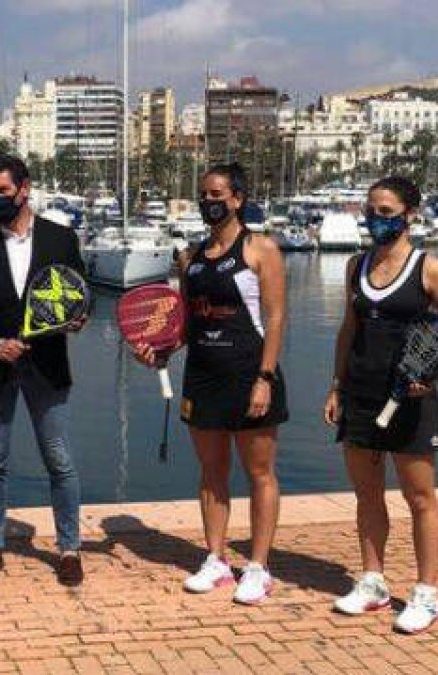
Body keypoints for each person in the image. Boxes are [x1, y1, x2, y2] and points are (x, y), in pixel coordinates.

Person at [136, 162, 288, 603]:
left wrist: (264, 377)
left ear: (238, 199)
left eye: (218, 195)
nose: (209, 202)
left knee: (259, 473)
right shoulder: (194, 259)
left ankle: (258, 567)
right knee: (211, 472)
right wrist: (160, 352)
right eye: (204, 194)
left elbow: (276, 318)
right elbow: (187, 324)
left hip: (250, 375)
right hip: (202, 376)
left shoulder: (261, 250)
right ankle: (217, 560)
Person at [323, 176, 438, 635]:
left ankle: (426, 592)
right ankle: (373, 582)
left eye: (385, 212)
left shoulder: (430, 269)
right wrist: (336, 386)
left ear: (410, 215)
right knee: (367, 494)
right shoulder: (354, 266)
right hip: (361, 393)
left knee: (420, 497)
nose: (375, 220)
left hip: (411, 398)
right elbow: (349, 330)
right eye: (370, 211)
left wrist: (431, 375)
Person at [0, 154, 87, 587]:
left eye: (2, 191)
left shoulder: (61, 238)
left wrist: (80, 316)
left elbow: (80, 294)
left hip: (47, 366)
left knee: (59, 460)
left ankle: (69, 549)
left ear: (24, 189)